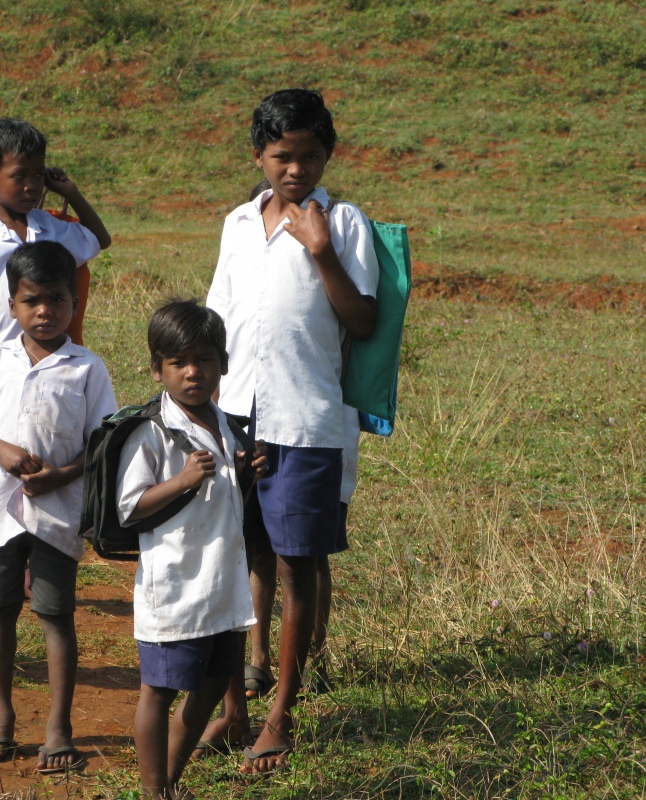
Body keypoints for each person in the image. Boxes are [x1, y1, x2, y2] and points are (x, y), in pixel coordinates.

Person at [206, 88, 379, 775]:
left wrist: (321, 251)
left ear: (327, 156)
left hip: (306, 420)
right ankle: (235, 707)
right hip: (236, 415)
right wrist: (205, 409)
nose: (296, 170)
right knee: (236, 552)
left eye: (310, 156)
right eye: (282, 156)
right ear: (259, 155)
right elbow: (217, 317)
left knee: (296, 562)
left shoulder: (344, 223)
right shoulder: (237, 223)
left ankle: (281, 714)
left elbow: (362, 320)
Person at [0, 240, 117, 773]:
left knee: (56, 615)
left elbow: (104, 443)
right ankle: (1, 719)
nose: (45, 311)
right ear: (12, 305)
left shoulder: (86, 368)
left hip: (58, 515)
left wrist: (61, 475)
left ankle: (58, 729)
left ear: (74, 304)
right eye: (32, 300)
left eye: (57, 299)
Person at [0, 117, 111, 609]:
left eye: (38, 174)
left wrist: (70, 193)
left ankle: (28, 563)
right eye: (20, 176)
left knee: (39, 461)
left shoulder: (51, 228)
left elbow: (100, 239)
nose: (32, 185)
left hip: (49, 368)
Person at [116, 300, 266, 800]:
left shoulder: (224, 422)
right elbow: (130, 507)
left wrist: (245, 474)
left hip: (221, 584)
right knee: (159, 690)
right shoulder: (152, 430)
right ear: (156, 369)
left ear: (223, 363)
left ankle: (170, 779)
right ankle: (153, 790)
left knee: (215, 680)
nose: (192, 372)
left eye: (204, 360)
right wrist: (181, 480)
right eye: (178, 362)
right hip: (176, 586)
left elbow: (225, 502)